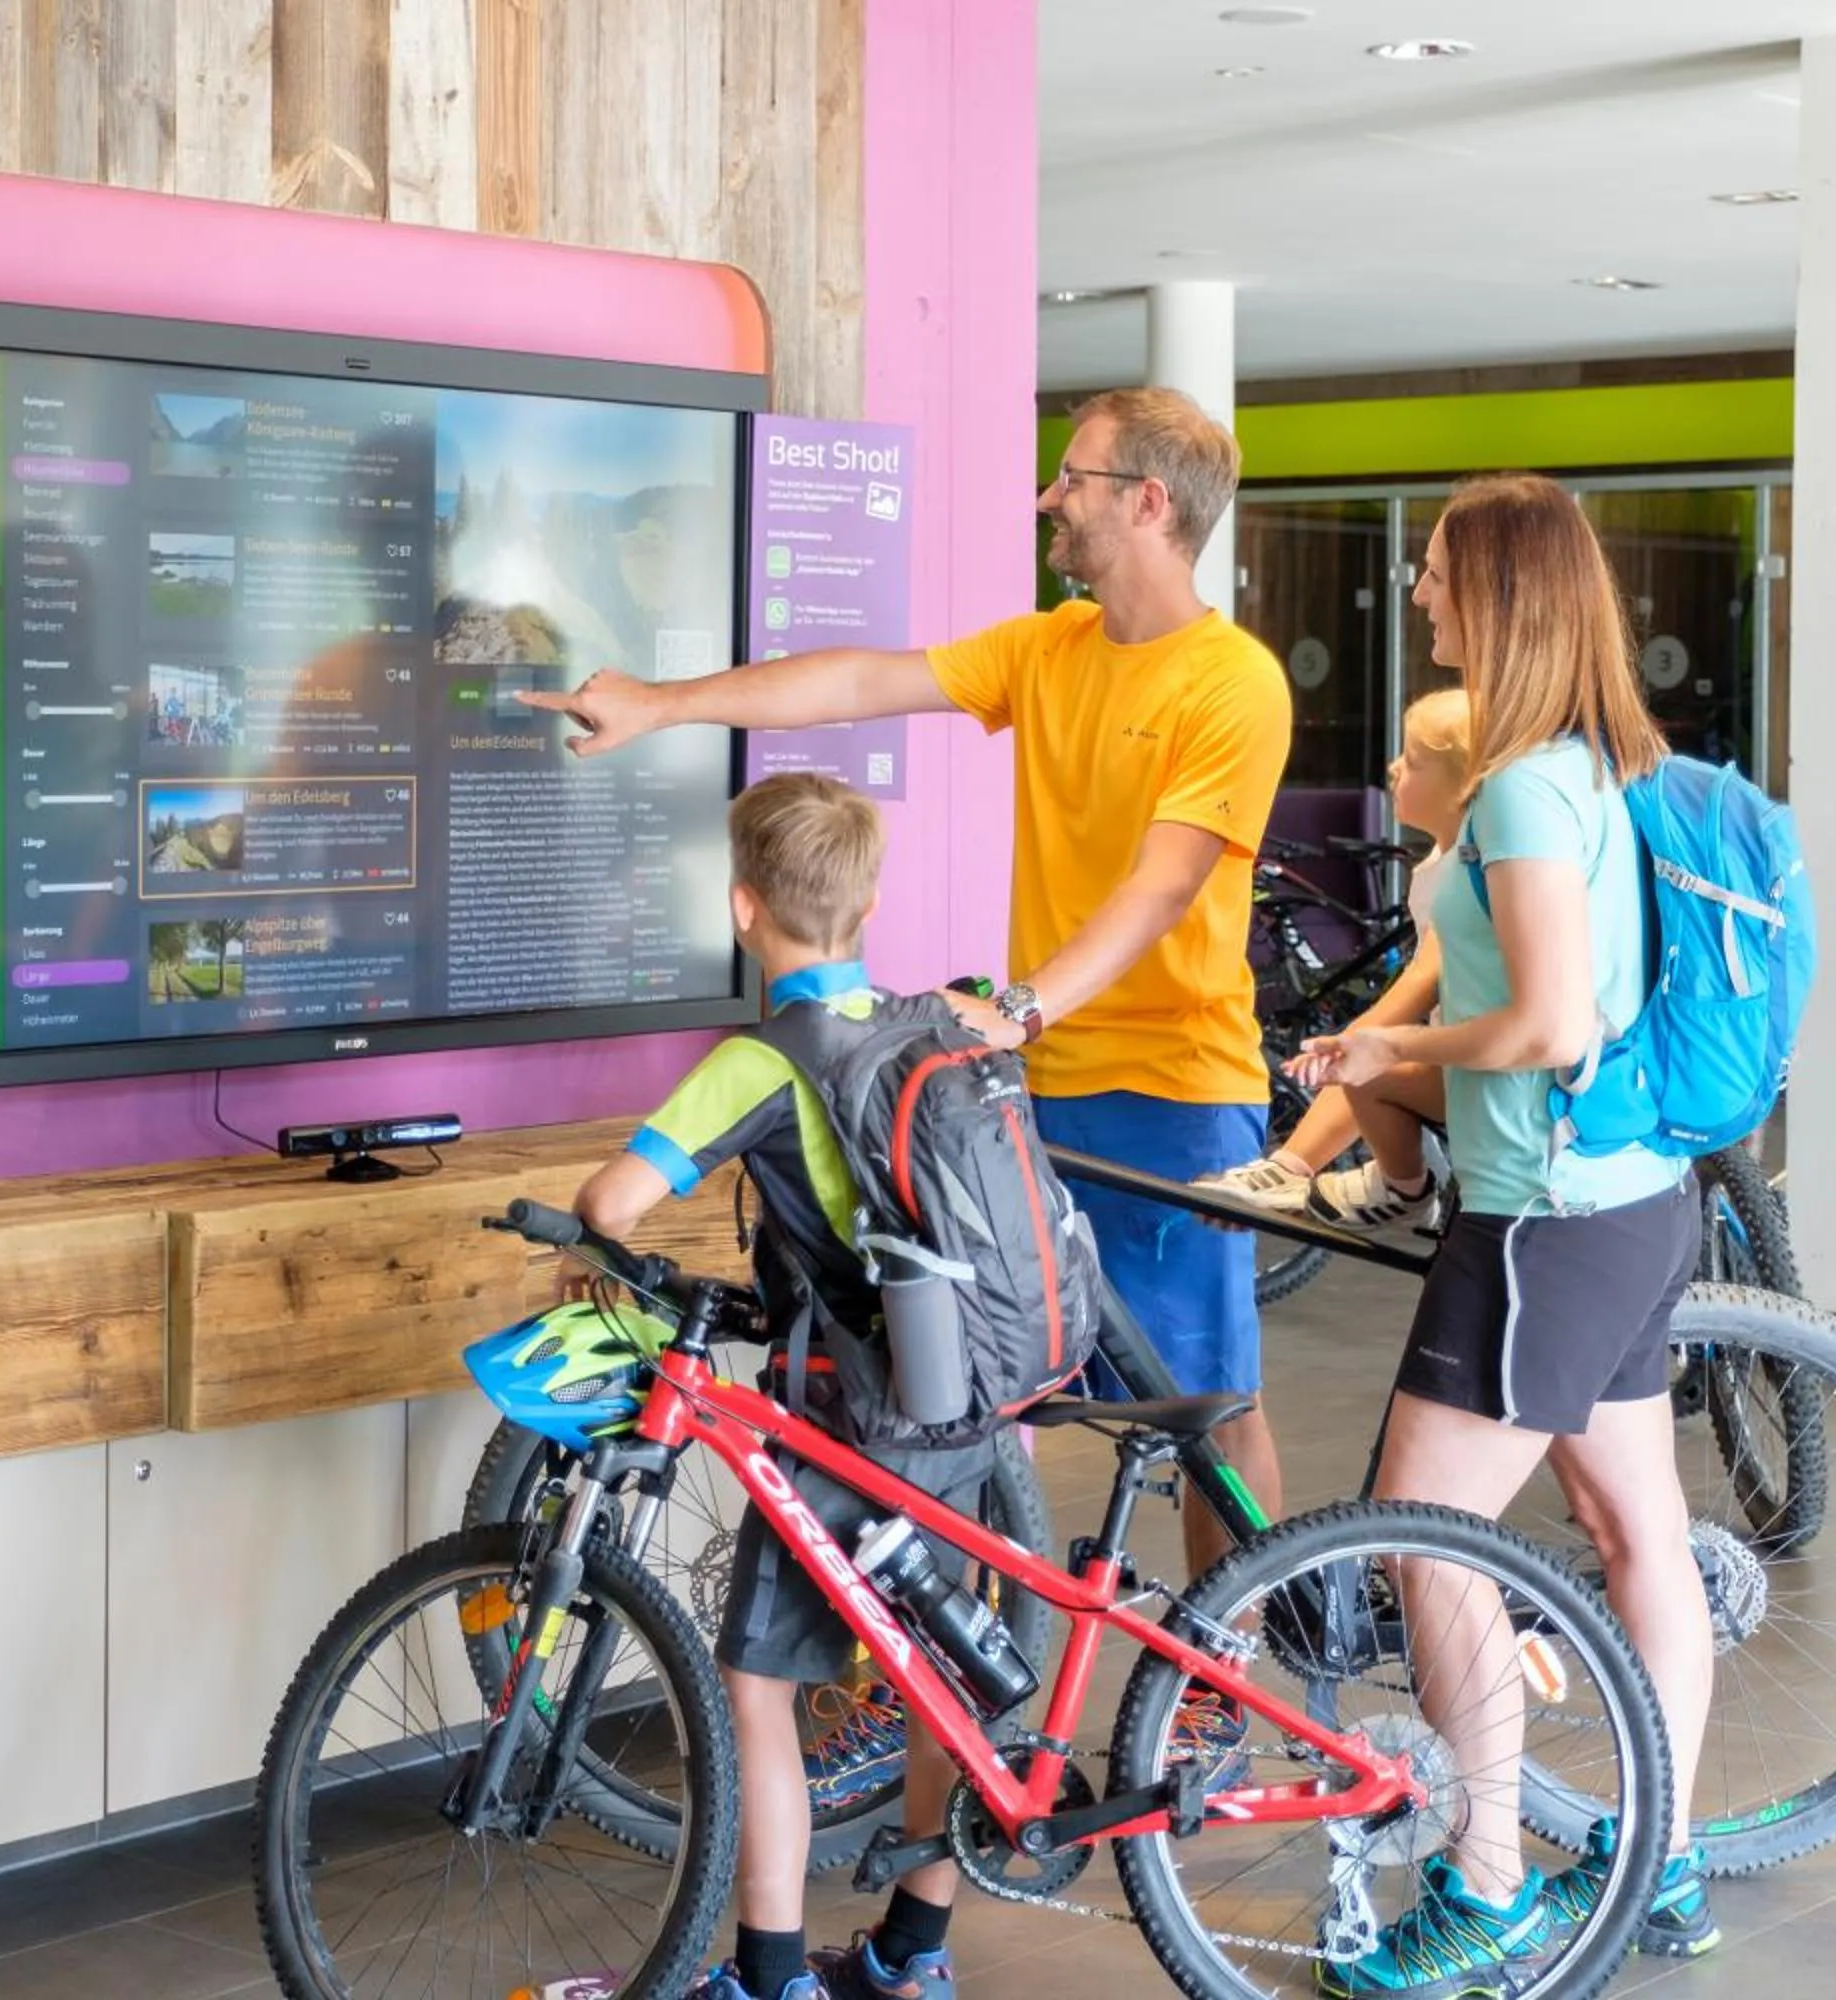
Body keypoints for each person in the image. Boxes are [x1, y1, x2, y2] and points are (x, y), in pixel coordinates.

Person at [524, 386, 1294, 1783]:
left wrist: (1025, 1002)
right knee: (967, 1406)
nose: (1050, 498)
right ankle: (934, 1673)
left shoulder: (1231, 680)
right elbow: (858, 678)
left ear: (1149, 504)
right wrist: (667, 707)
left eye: (1076, 478)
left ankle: (1225, 1670)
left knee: (1207, 1402)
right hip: (1019, 1094)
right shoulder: (1052, 649)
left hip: (1173, 1089)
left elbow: (1165, 879)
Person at [1291, 475, 1721, 1996]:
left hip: (1544, 1223)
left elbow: (1550, 1020)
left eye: (1436, 572)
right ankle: (1659, 1857)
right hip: (1634, 1206)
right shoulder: (1602, 761)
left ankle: (1482, 1889)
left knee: (1425, 1544)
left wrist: (1396, 1062)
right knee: (1637, 1534)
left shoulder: (1531, 780)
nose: (1416, 593)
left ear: (1501, 593)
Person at [564, 773, 988, 2000]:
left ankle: (767, 1975)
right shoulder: (929, 1022)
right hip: (954, 1393)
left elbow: (612, 1204)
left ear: (744, 909)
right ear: (861, 903)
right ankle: (913, 1954)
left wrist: (577, 1246)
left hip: (843, 1418)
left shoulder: (764, 1055)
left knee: (758, 1684)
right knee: (930, 1677)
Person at [1195, 687, 1472, 1229]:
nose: (1394, 769)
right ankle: (1296, 1168)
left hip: (1475, 1065)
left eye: (1413, 762)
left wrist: (1359, 1043)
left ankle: (1403, 1184)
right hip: (1457, 1056)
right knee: (1368, 1060)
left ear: (1462, 788)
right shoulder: (1440, 863)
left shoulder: (1465, 871)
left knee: (1368, 1064)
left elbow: (1424, 979)